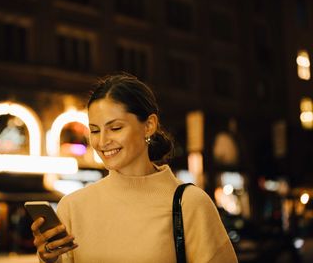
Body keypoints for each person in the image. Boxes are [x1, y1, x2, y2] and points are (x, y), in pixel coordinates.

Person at [31, 74, 238, 263]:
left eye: (115, 128)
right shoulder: (72, 207)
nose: (102, 141)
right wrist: (49, 260)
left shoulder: (190, 204)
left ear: (149, 125)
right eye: (94, 130)